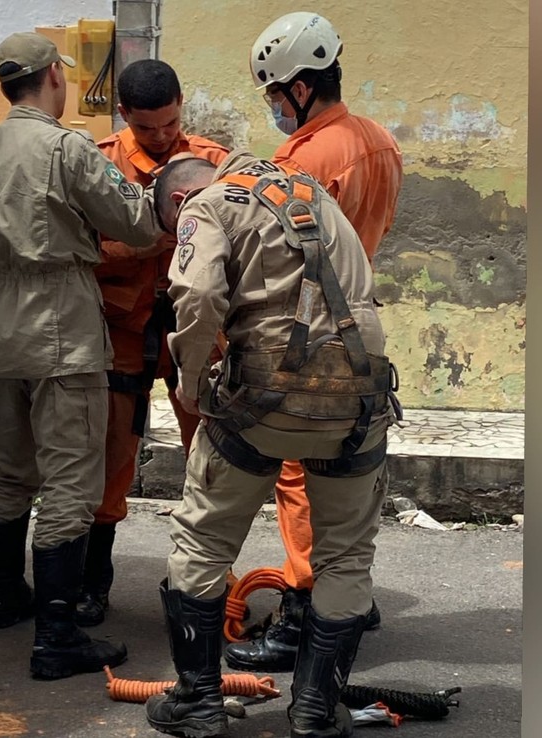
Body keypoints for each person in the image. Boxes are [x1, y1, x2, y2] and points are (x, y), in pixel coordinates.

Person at [144, 152, 398, 738]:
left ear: (179, 202)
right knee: (346, 555)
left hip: (260, 402)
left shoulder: (205, 205)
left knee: (202, 541)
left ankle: (197, 705)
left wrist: (188, 384)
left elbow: (199, 294)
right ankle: (313, 713)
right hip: (358, 399)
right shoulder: (312, 191)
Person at [0, 32, 163, 681]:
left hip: (0, 321)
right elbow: (132, 220)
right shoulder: (68, 147)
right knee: (73, 483)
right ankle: (57, 639)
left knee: (12, 468)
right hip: (60, 323)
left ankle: (4, 596)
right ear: (54, 75)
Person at [224, 11, 404, 674]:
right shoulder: (380, 140)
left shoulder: (301, 159)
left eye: (274, 94)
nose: (274, 106)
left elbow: (276, 257)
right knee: (349, 471)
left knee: (297, 472)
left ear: (300, 88)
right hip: (362, 330)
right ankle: (346, 595)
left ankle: (303, 613)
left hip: (307, 337)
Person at [74, 60, 228, 627]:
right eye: (147, 129)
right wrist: (150, 241)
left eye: (169, 124)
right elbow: (83, 251)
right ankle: (93, 584)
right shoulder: (99, 162)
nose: (161, 137)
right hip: (122, 332)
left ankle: (212, 586)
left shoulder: (213, 162)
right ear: (124, 117)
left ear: (182, 104)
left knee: (212, 458)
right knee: (110, 461)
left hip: (195, 332)